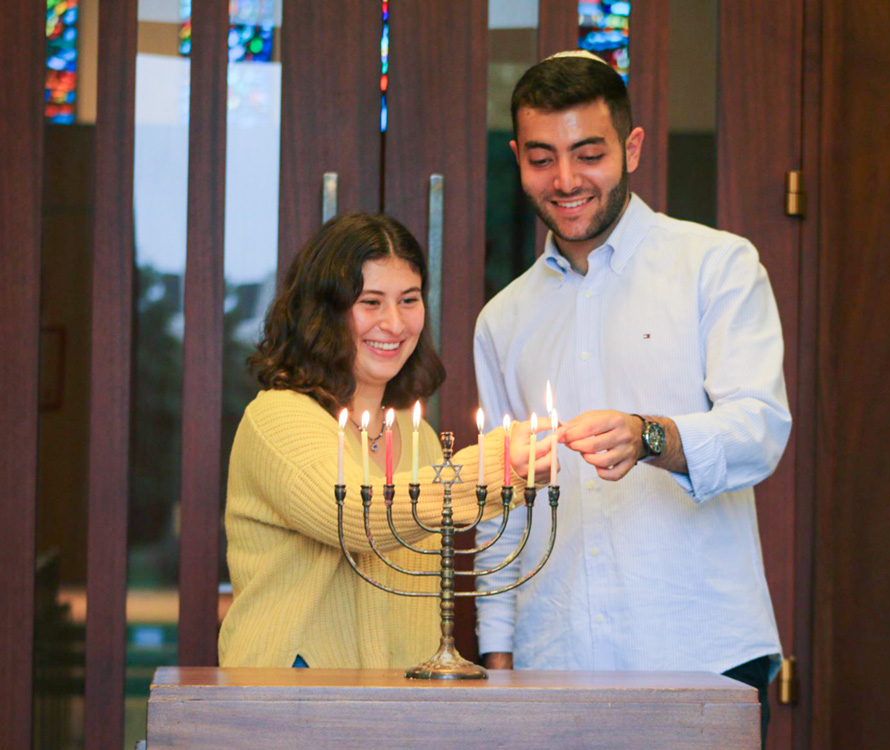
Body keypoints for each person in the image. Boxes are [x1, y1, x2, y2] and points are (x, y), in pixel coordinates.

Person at [473, 52, 791, 744]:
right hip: (550, 662)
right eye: (542, 158)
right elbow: (504, 508)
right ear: (517, 159)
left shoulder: (717, 266)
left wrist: (651, 435)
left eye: (589, 154)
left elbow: (761, 429)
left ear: (632, 147)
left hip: (701, 654)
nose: (565, 181)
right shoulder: (503, 318)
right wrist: (498, 661)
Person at [218, 212, 552, 669]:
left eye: (409, 300)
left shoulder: (420, 439)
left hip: (399, 710)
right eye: (371, 302)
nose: (394, 324)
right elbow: (358, 515)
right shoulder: (278, 418)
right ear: (324, 311)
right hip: (289, 703)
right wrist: (501, 467)